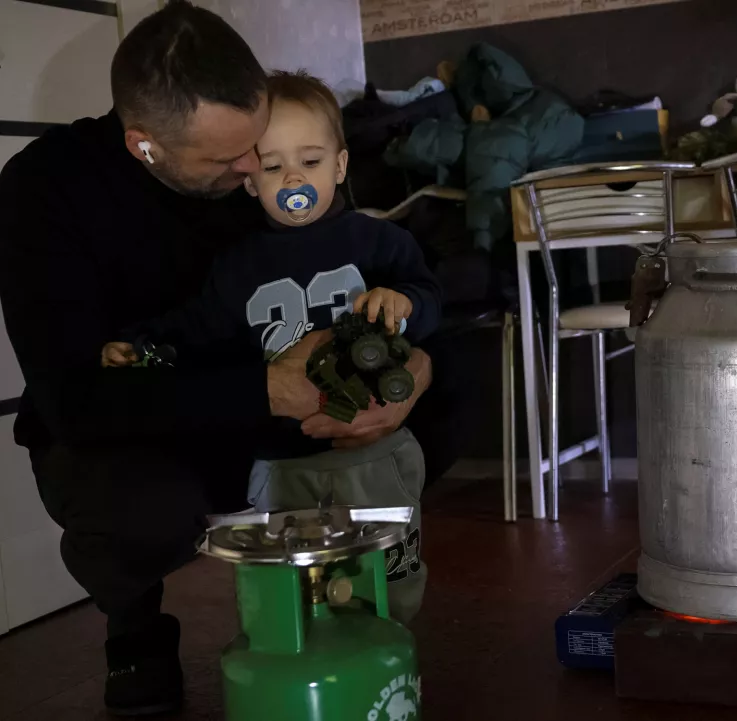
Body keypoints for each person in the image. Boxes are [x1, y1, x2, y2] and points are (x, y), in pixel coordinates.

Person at [0, 2, 431, 716]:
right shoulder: (44, 191)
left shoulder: (266, 160)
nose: (254, 170)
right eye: (229, 161)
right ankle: (135, 630)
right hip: (138, 420)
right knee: (141, 512)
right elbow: (75, 400)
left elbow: (370, 269)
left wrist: (414, 373)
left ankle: (350, 613)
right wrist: (267, 390)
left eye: (257, 146)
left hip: (281, 394)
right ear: (146, 146)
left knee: (428, 408)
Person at [101, 70, 441, 625]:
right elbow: (197, 328)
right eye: (272, 165)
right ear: (248, 180)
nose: (292, 179)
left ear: (340, 165)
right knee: (288, 593)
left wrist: (404, 304)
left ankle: (386, 665)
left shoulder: (380, 241)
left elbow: (431, 298)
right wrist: (142, 346)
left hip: (375, 454)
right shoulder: (238, 265)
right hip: (282, 464)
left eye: (309, 161)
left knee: (388, 581)